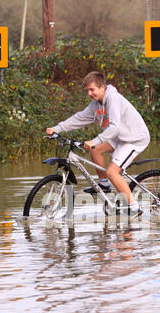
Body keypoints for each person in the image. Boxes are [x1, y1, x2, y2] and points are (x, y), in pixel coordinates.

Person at [46, 71, 150, 216]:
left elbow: (115, 127)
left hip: (134, 138)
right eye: (87, 90)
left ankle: (134, 208)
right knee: (95, 150)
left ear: (102, 87)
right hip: (120, 136)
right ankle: (104, 185)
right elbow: (79, 118)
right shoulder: (96, 104)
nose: (89, 93)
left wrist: (95, 140)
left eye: (92, 89)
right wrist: (57, 128)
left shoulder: (113, 99)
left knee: (112, 172)